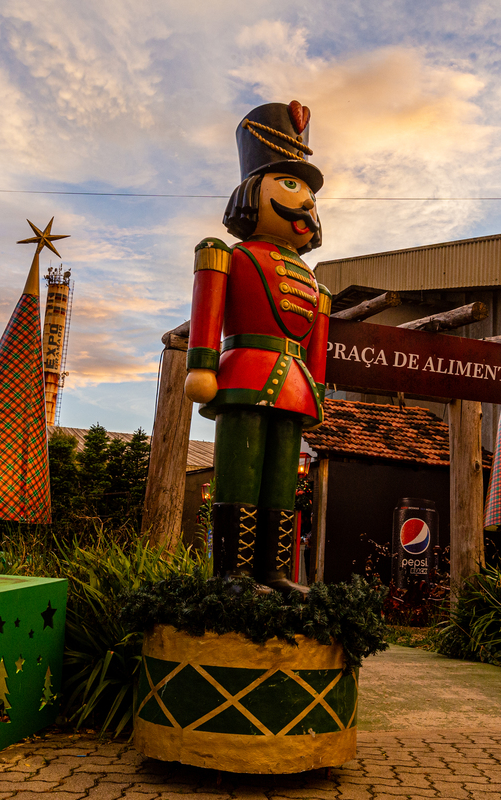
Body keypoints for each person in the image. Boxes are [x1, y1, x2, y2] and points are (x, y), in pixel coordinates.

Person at [184, 101, 331, 595]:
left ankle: (272, 572)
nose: (306, 201)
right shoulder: (227, 254)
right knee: (239, 474)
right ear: (253, 191)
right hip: (244, 370)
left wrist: (318, 388)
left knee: (281, 482)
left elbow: (316, 341)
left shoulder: (313, 279)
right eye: (291, 184)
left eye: (308, 191)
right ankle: (232, 573)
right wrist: (201, 364)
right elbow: (209, 308)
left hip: (293, 383)